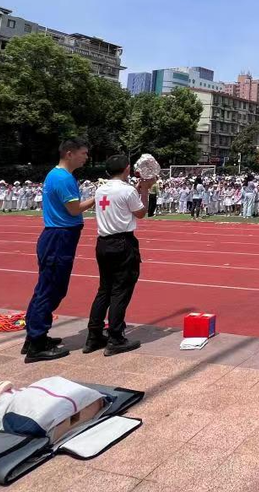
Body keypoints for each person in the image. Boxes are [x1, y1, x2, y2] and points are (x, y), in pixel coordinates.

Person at [22, 138, 95, 363]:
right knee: (52, 288)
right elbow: (74, 209)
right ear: (70, 153)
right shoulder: (63, 178)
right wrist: (98, 197)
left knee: (47, 287)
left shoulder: (58, 175)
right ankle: (36, 343)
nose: (86, 157)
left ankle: (35, 335)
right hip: (59, 236)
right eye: (83, 153)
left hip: (58, 235)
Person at [85, 154, 154, 356]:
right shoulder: (127, 191)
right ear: (127, 168)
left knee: (104, 290)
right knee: (120, 291)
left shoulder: (100, 190)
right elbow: (141, 213)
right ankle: (116, 337)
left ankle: (94, 335)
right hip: (123, 242)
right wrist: (145, 190)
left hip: (103, 242)